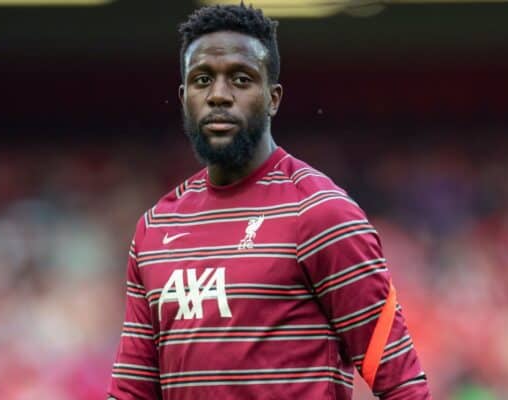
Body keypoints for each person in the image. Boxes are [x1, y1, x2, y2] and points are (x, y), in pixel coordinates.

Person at [108, 4, 431, 399]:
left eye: (241, 79)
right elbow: (131, 391)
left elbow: (402, 384)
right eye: (203, 79)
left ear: (273, 97)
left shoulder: (321, 213)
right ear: (183, 96)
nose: (219, 96)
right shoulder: (155, 228)